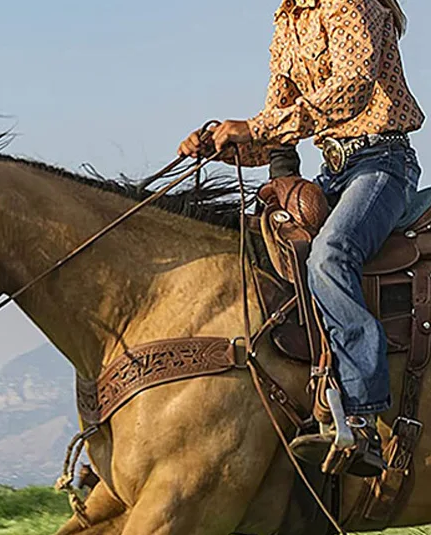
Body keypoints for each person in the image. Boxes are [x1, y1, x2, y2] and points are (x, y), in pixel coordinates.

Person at [178, 0, 424, 477]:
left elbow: (351, 89)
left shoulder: (355, 4)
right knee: (268, 251)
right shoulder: (287, 19)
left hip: (383, 163)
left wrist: (255, 127)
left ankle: (361, 410)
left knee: (331, 255)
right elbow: (280, 123)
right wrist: (221, 144)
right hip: (334, 171)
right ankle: (305, 397)